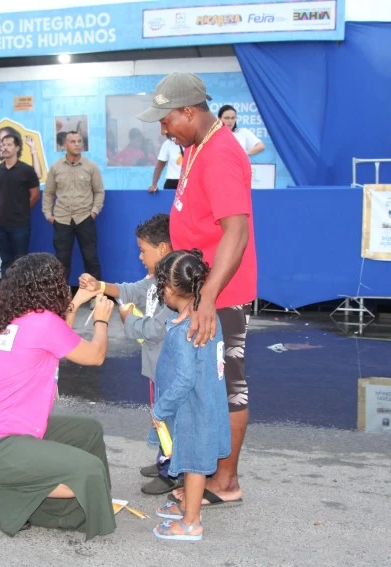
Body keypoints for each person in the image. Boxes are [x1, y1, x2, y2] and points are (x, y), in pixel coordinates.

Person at [138, 72, 256, 508]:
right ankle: (194, 466)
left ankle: (225, 481)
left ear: (189, 111)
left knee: (226, 385)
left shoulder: (220, 152)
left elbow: (236, 233)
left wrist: (207, 299)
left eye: (166, 120)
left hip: (219, 295)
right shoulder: (194, 147)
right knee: (193, 381)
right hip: (196, 293)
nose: (163, 129)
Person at [0, 253, 117, 540]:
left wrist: (79, 300)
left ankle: (64, 502)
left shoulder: (20, 319)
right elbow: (95, 355)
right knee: (88, 471)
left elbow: (60, 334)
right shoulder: (42, 323)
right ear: (49, 286)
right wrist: (101, 320)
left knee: (88, 431)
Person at [78, 213, 176, 495]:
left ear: (162, 248)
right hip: (157, 366)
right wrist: (98, 286)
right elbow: (128, 290)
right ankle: (165, 459)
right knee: (161, 416)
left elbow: (156, 329)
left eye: (143, 251)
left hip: (169, 368)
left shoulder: (174, 287)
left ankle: (172, 472)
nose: (140, 257)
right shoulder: (155, 280)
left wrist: (127, 320)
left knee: (170, 419)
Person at [150, 249, 230, 542]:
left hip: (193, 409)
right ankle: (188, 506)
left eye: (161, 287)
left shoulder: (185, 330)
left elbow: (185, 379)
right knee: (190, 458)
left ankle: (190, 523)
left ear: (171, 290)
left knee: (194, 464)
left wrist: (160, 409)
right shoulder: (208, 319)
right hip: (208, 404)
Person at [42, 131, 105, 282]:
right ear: (65, 145)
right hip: (62, 220)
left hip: (85, 218)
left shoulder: (91, 166)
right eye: (73, 141)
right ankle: (61, 294)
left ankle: (95, 293)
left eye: (79, 141)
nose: (77, 144)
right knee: (61, 261)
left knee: (90, 258)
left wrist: (94, 212)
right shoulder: (56, 167)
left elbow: (99, 192)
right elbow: (48, 193)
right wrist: (48, 215)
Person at [0, 133, 40, 277]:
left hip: (20, 225)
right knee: (5, 261)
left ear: (17, 148)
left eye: (9, 145)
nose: (5, 148)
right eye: (3, 145)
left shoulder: (27, 170)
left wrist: (22, 210)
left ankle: (20, 291)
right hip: (0, 223)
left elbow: (35, 195)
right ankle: (5, 289)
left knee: (20, 262)